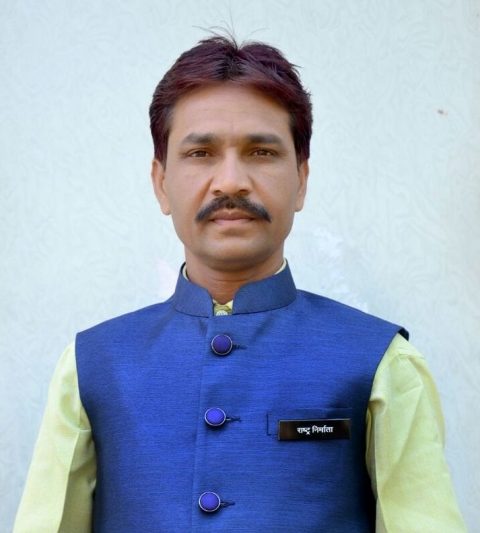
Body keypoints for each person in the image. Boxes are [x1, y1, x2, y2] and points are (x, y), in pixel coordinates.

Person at [14, 35, 467, 533]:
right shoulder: (89, 366)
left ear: (302, 179)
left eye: (261, 151)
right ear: (161, 183)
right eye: (201, 152)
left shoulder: (383, 363)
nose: (230, 181)